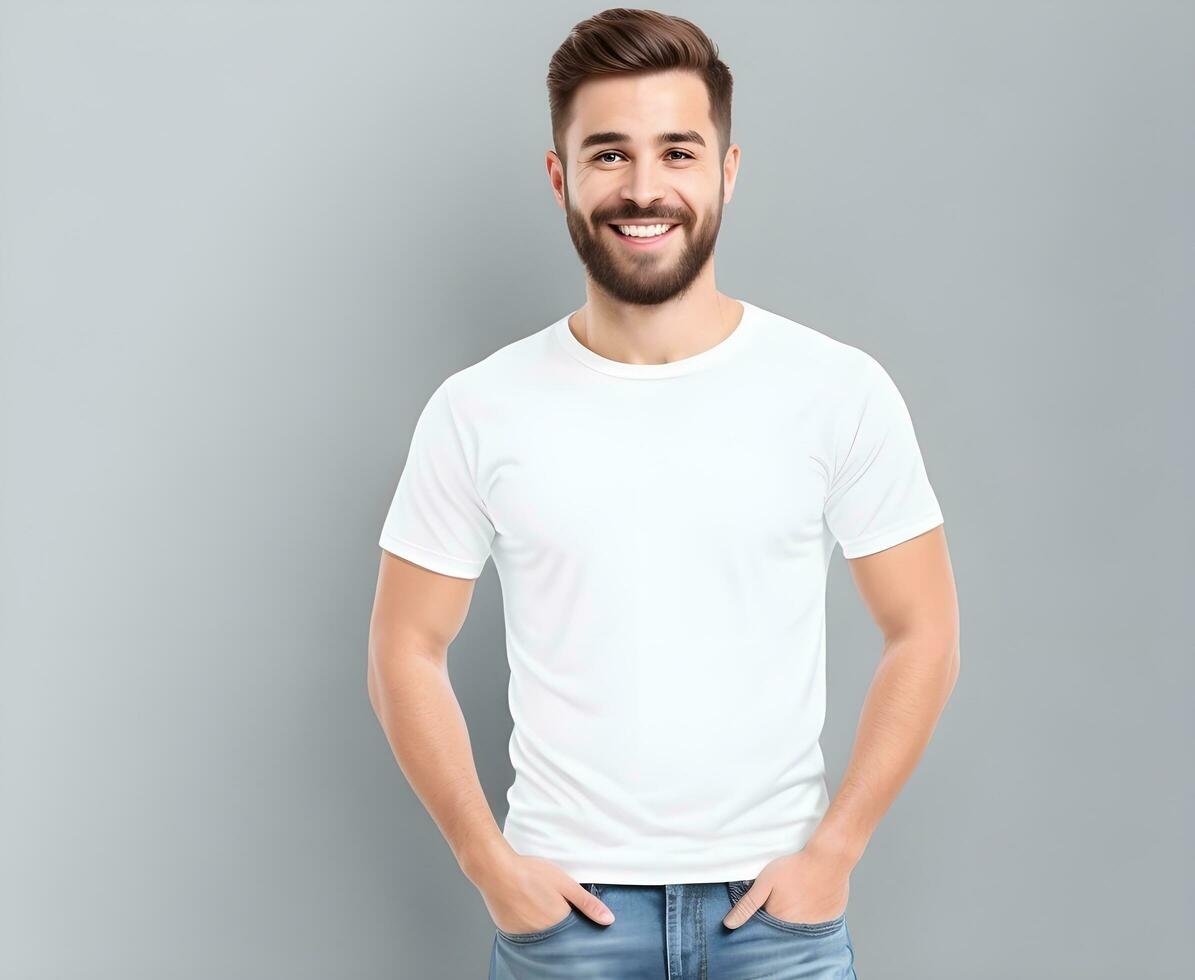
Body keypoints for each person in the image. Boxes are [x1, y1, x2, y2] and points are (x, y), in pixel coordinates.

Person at [368, 9, 960, 978]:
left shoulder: (834, 390)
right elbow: (403, 645)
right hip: (569, 923)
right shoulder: (477, 409)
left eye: (676, 151)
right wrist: (490, 864)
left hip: (775, 920)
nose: (643, 188)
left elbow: (923, 629)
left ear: (726, 170)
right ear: (559, 177)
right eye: (608, 155)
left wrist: (837, 848)